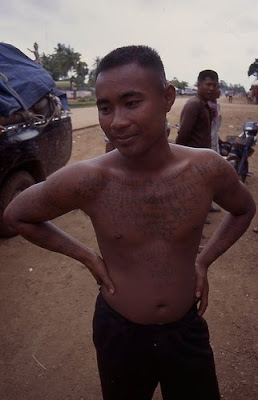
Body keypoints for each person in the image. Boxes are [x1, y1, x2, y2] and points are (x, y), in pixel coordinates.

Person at [3, 45, 256, 400]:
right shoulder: (89, 179)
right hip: (119, 333)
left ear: (167, 97)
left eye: (131, 102)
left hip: (186, 330)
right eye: (105, 107)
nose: (116, 122)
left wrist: (204, 259)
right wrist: (88, 256)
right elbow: (18, 214)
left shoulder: (205, 169)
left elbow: (244, 209)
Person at [176, 69, 219, 149]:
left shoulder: (205, 105)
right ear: (199, 85)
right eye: (208, 85)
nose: (211, 88)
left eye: (214, 85)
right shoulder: (194, 104)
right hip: (193, 157)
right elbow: (183, 135)